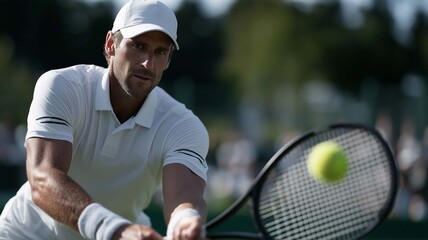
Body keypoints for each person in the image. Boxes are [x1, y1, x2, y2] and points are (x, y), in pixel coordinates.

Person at [0, 0, 209, 239]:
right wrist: (115, 230)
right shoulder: (61, 86)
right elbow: (43, 178)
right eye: (139, 45)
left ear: (169, 60)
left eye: (160, 52)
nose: (148, 63)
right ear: (110, 45)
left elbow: (184, 192)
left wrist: (185, 219)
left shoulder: (183, 125)